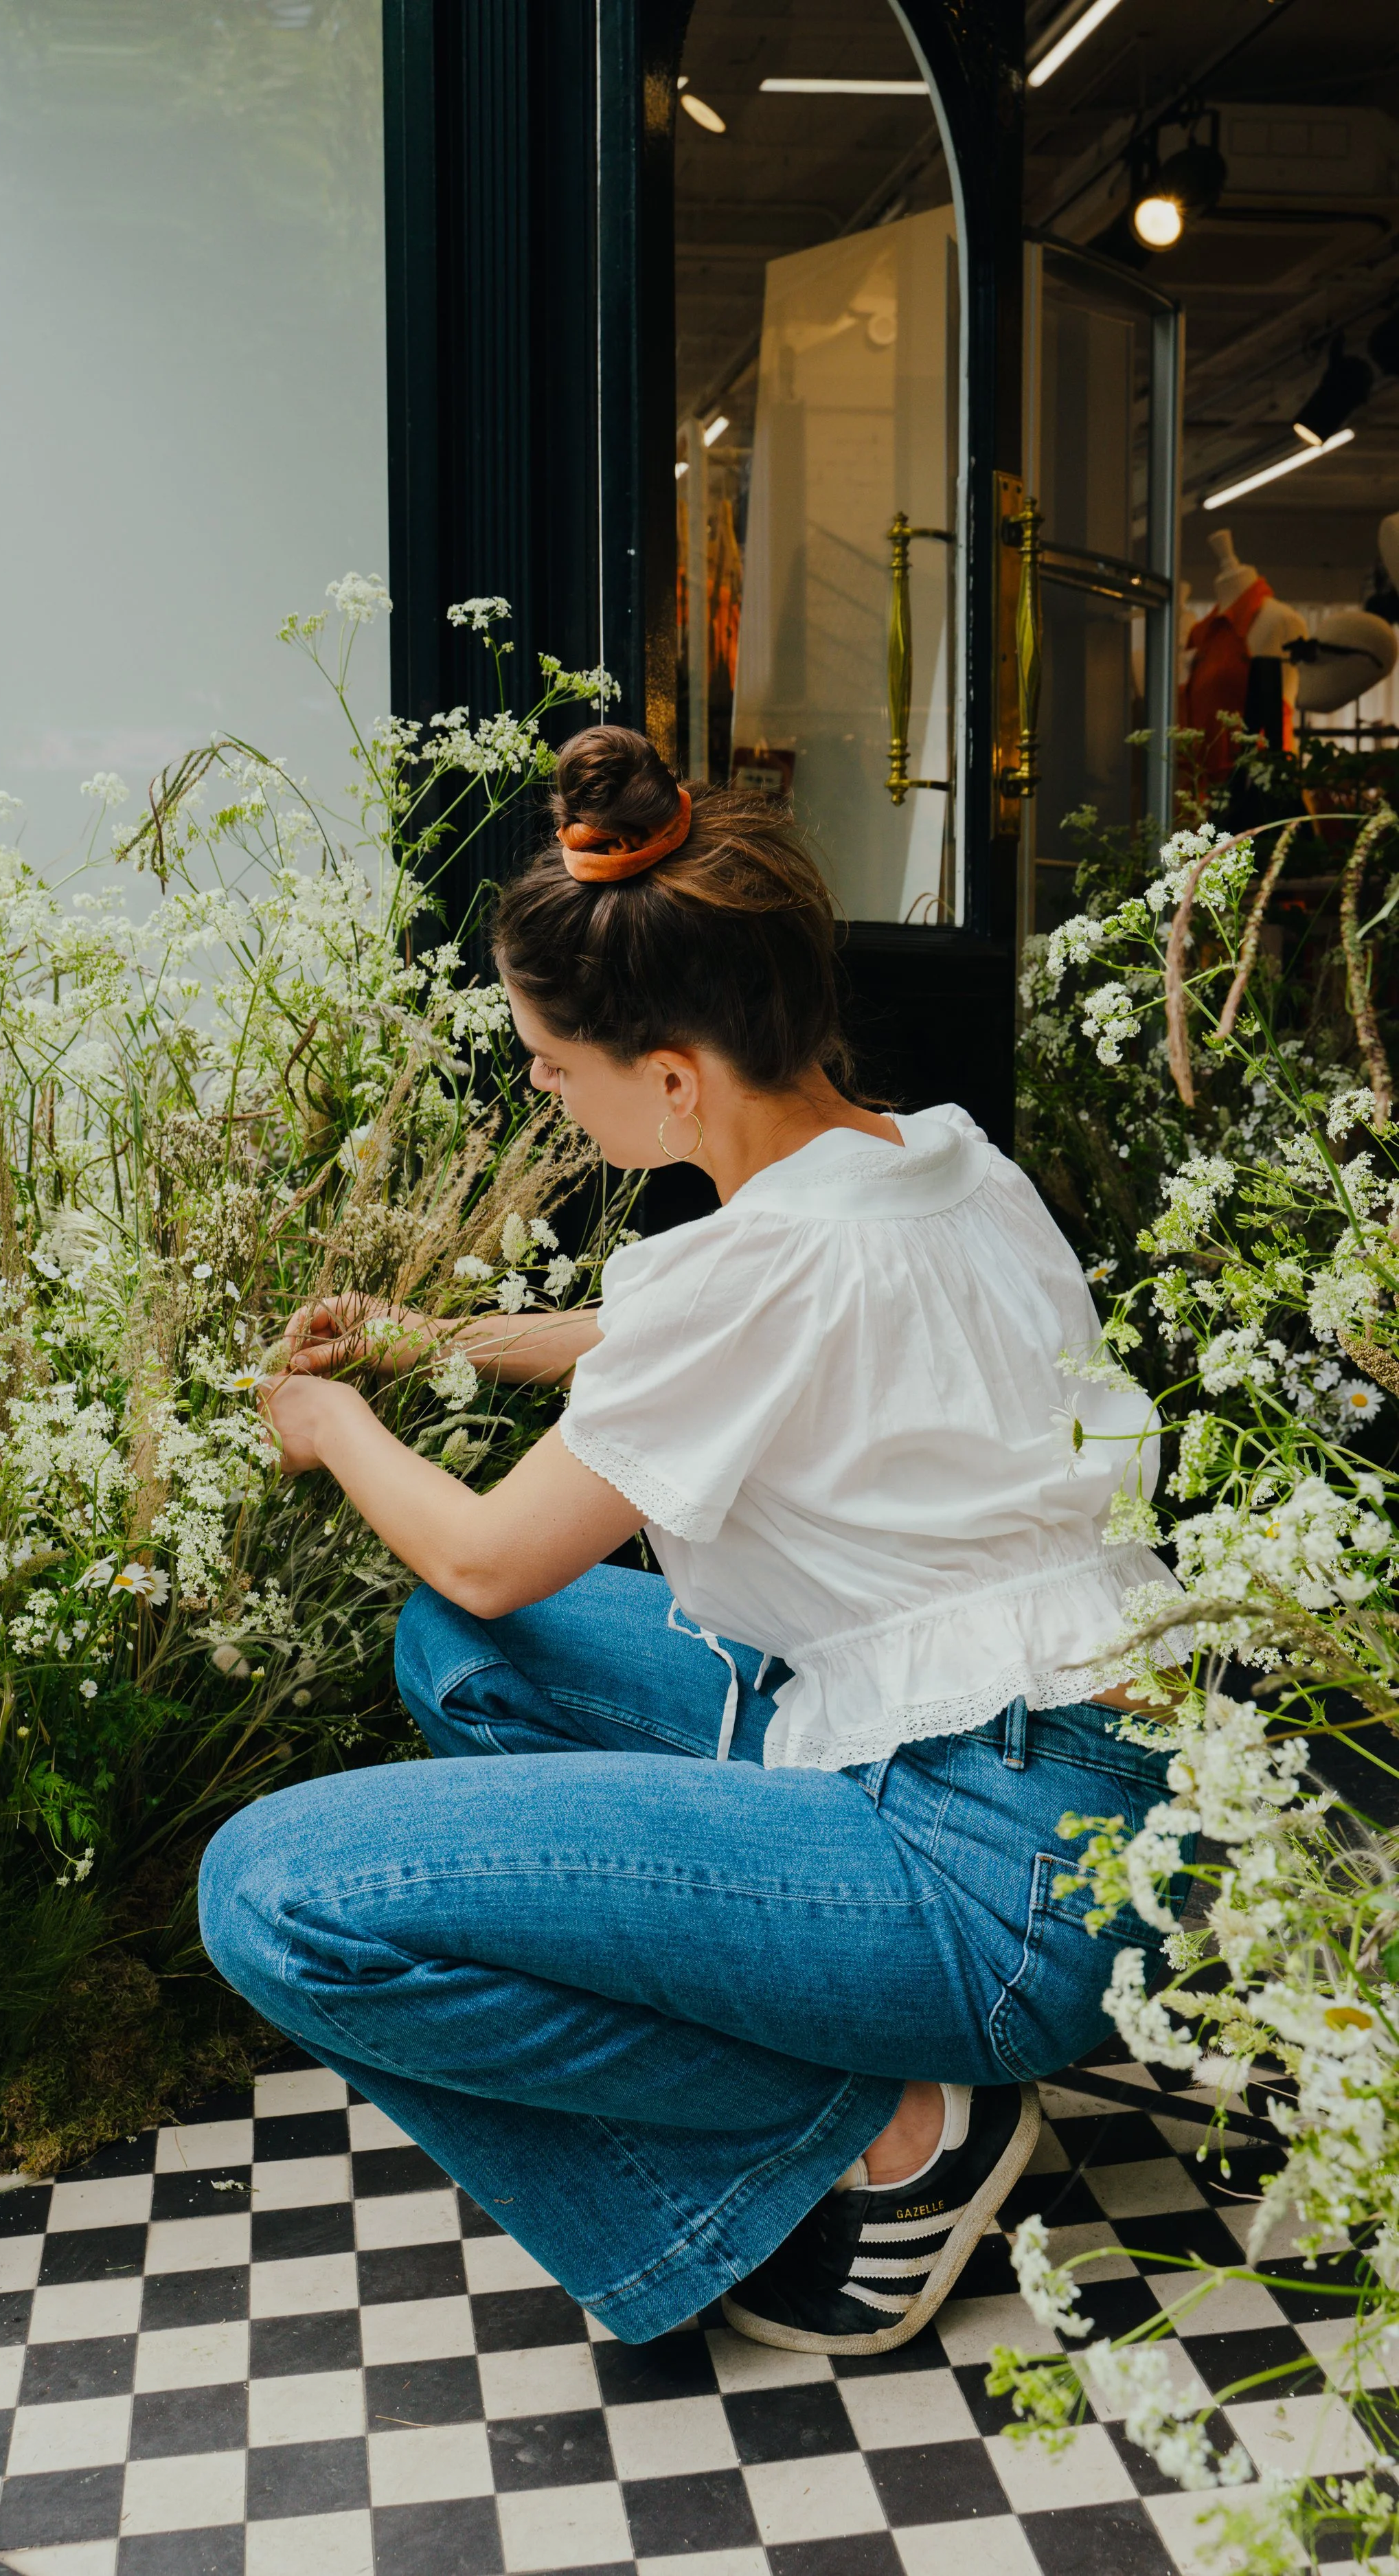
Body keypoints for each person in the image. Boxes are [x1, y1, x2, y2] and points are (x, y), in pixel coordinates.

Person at [198, 725, 1186, 2355]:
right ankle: (842, 2023)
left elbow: (488, 1553)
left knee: (279, 1895)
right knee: (467, 1668)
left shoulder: (757, 1269)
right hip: (1087, 1804)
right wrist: (440, 1337)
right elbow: (720, 1345)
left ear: (668, 1075)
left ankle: (893, 2142)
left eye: (549, 1062)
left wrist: (332, 1423)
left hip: (989, 1887)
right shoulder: (939, 1159)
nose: (535, 1084)